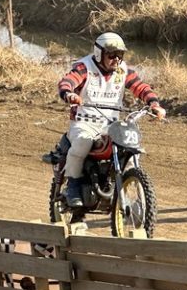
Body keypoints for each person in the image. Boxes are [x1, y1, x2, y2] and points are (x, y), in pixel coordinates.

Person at [58, 32, 166, 208]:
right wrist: (69, 94)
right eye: (111, 54)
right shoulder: (84, 67)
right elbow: (67, 81)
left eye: (119, 55)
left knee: (130, 148)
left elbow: (140, 87)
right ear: (99, 53)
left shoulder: (123, 70)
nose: (116, 59)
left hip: (111, 124)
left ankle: (130, 187)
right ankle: (73, 186)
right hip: (84, 122)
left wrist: (154, 104)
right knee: (82, 143)